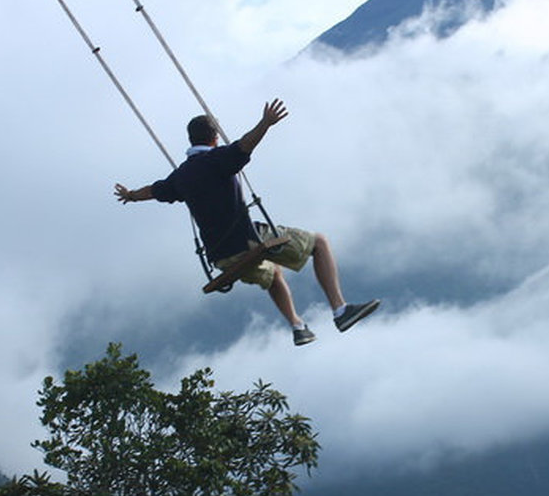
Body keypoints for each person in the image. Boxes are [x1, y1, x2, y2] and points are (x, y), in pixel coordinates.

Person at [113, 99, 379, 346]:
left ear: (191, 139)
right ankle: (340, 310)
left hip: (220, 257)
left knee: (272, 272)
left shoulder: (180, 177)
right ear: (215, 137)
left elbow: (154, 190)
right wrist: (265, 123)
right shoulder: (217, 160)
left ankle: (298, 326)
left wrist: (131, 196)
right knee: (319, 242)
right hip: (246, 240)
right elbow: (245, 144)